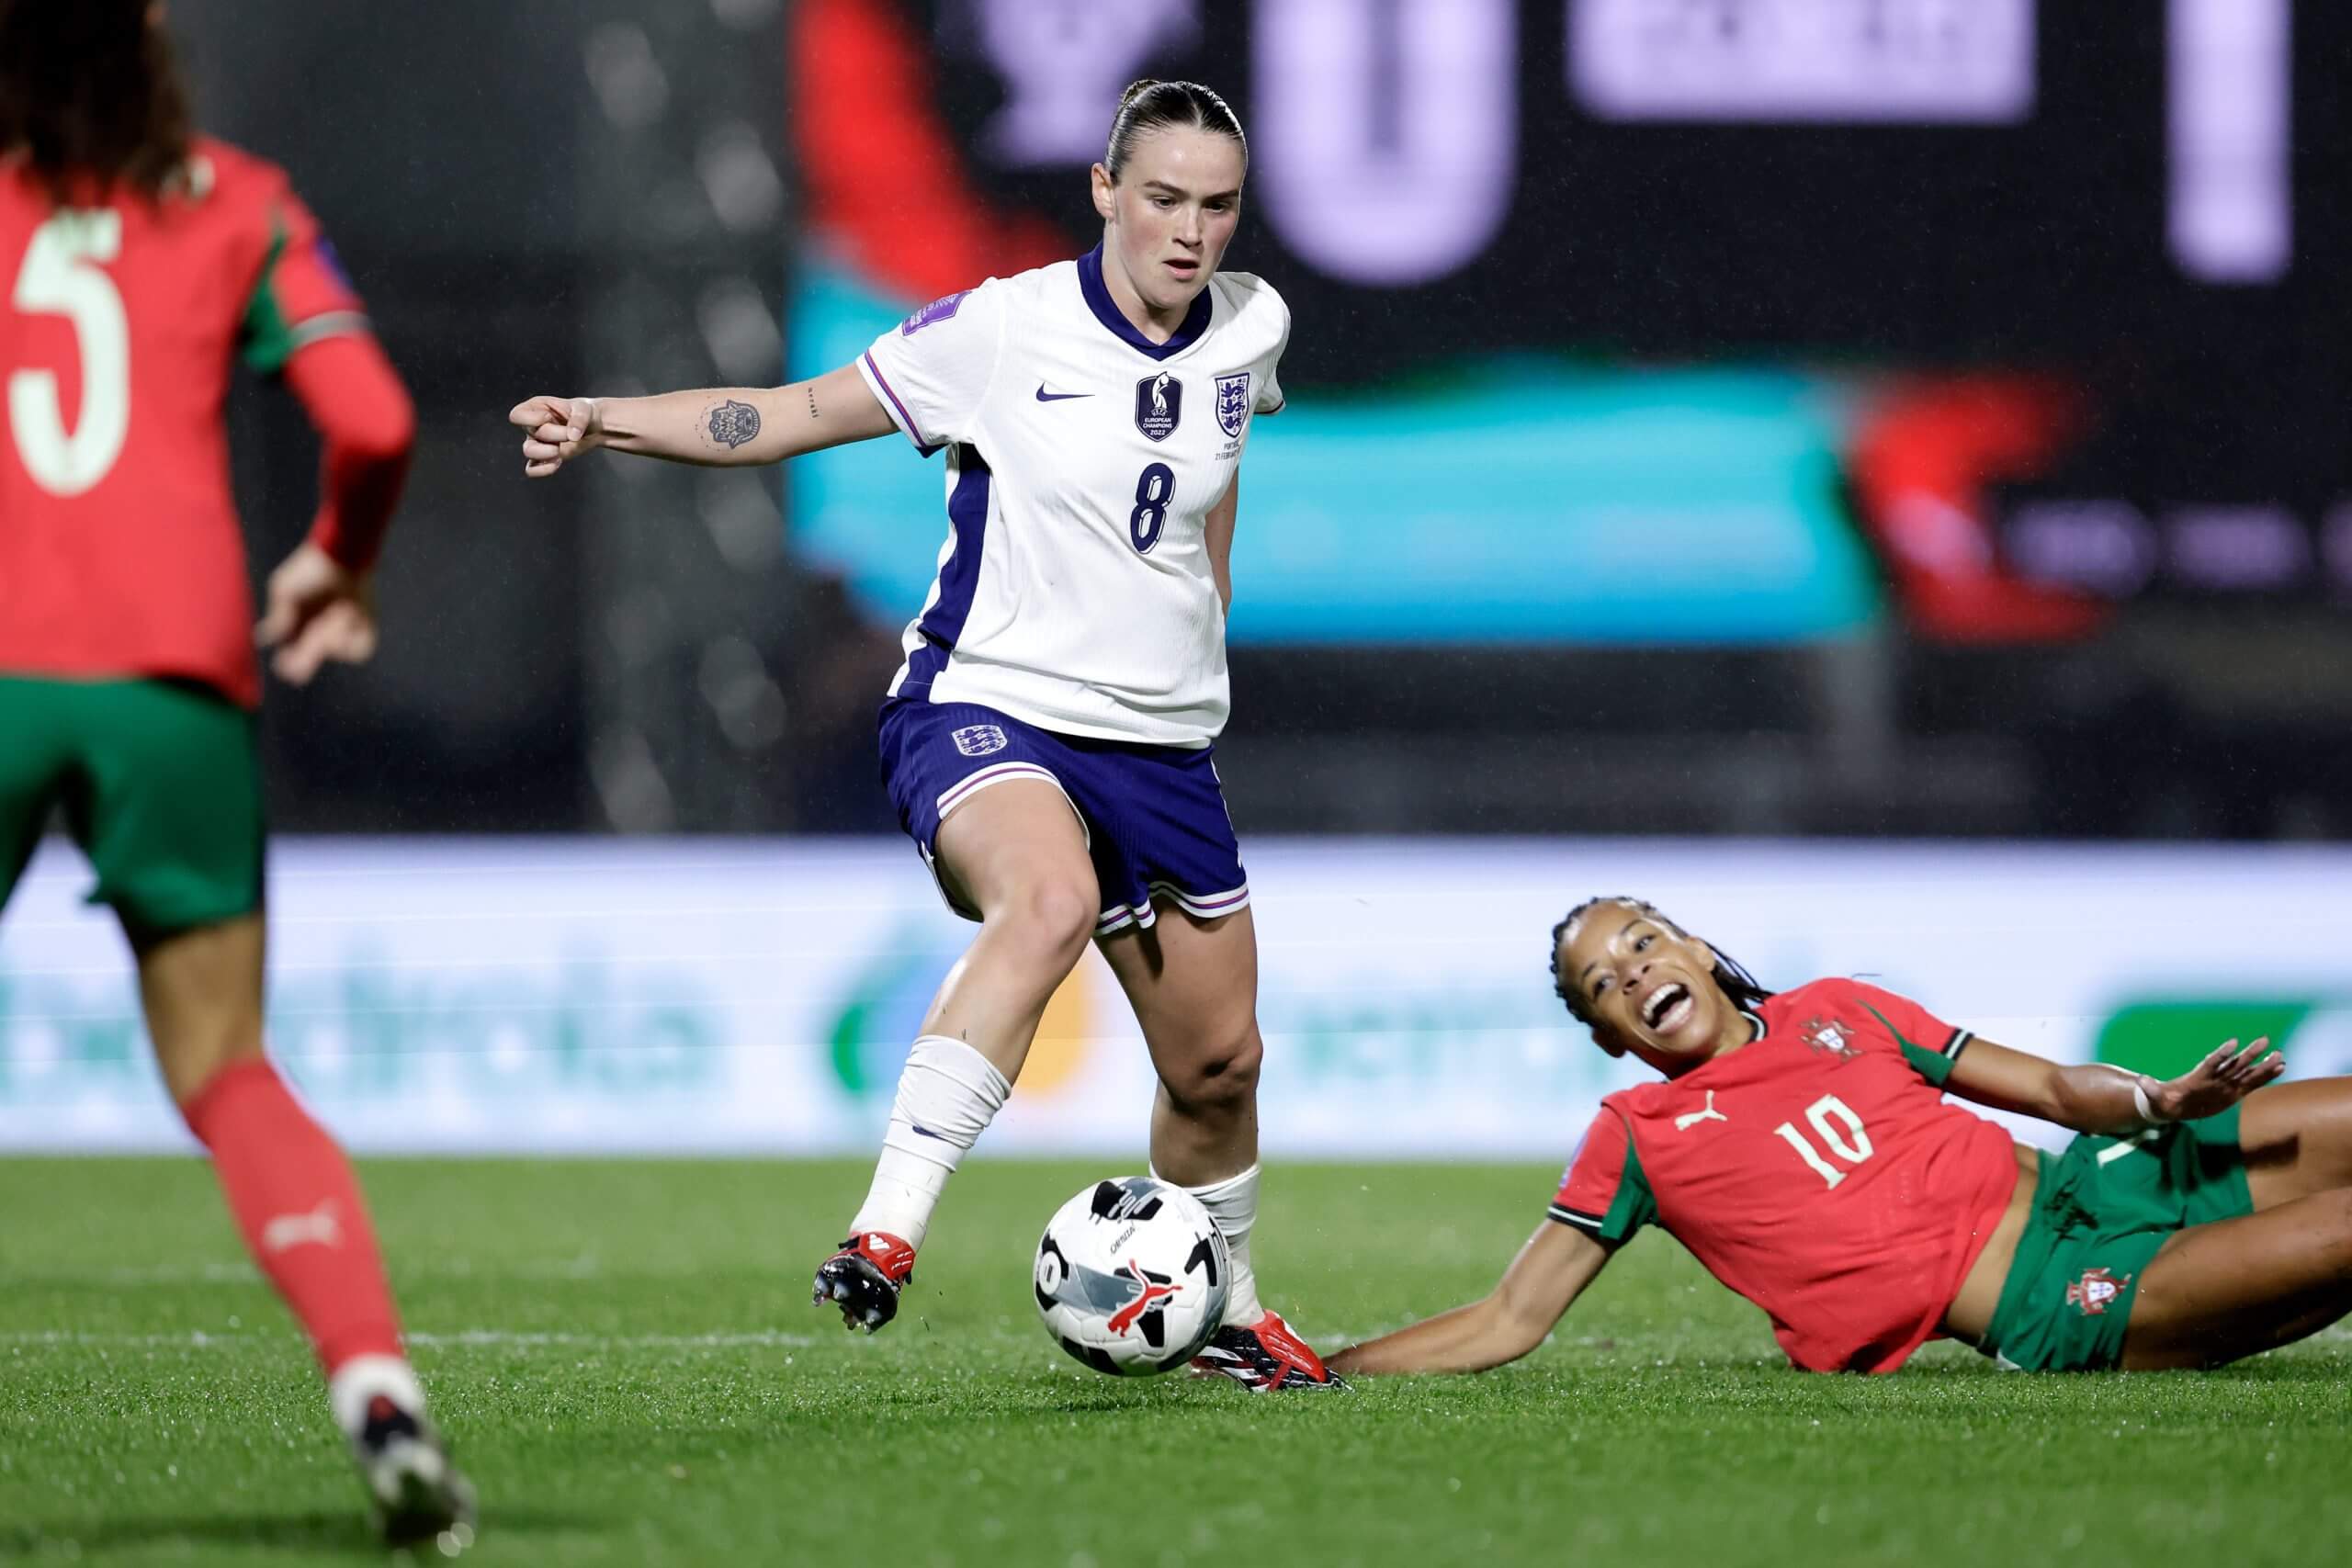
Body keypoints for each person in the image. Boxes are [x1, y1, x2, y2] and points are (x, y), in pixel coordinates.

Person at [511, 79, 1339, 1391]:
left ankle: (1227, 1303)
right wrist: (608, 418)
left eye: (1218, 205)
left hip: (1162, 747)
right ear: (1105, 191)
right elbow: (786, 414)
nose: (1190, 230)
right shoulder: (1001, 332)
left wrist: (1201, 624)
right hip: (986, 704)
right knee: (1049, 897)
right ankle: (887, 1227)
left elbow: (1211, 476)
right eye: (1165, 197)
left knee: (1219, 1065)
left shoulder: (1251, 327)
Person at [0, 1, 472, 1544]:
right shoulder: (242, 200)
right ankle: (376, 1386)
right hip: (173, 681)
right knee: (227, 1069)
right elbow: (376, 416)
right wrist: (338, 559)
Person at [1329, 895, 2352, 1378]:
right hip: (2064, 1300)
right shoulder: (1636, 1134)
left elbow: (2045, 1084)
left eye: (1643, 941)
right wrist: (1327, 1371)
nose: (1635, 971)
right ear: (1606, 1039)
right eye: (1605, 983)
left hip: (2119, 1173)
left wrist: (2155, 1104)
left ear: (1695, 945)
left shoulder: (1839, 1006)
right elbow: (1509, 1318)